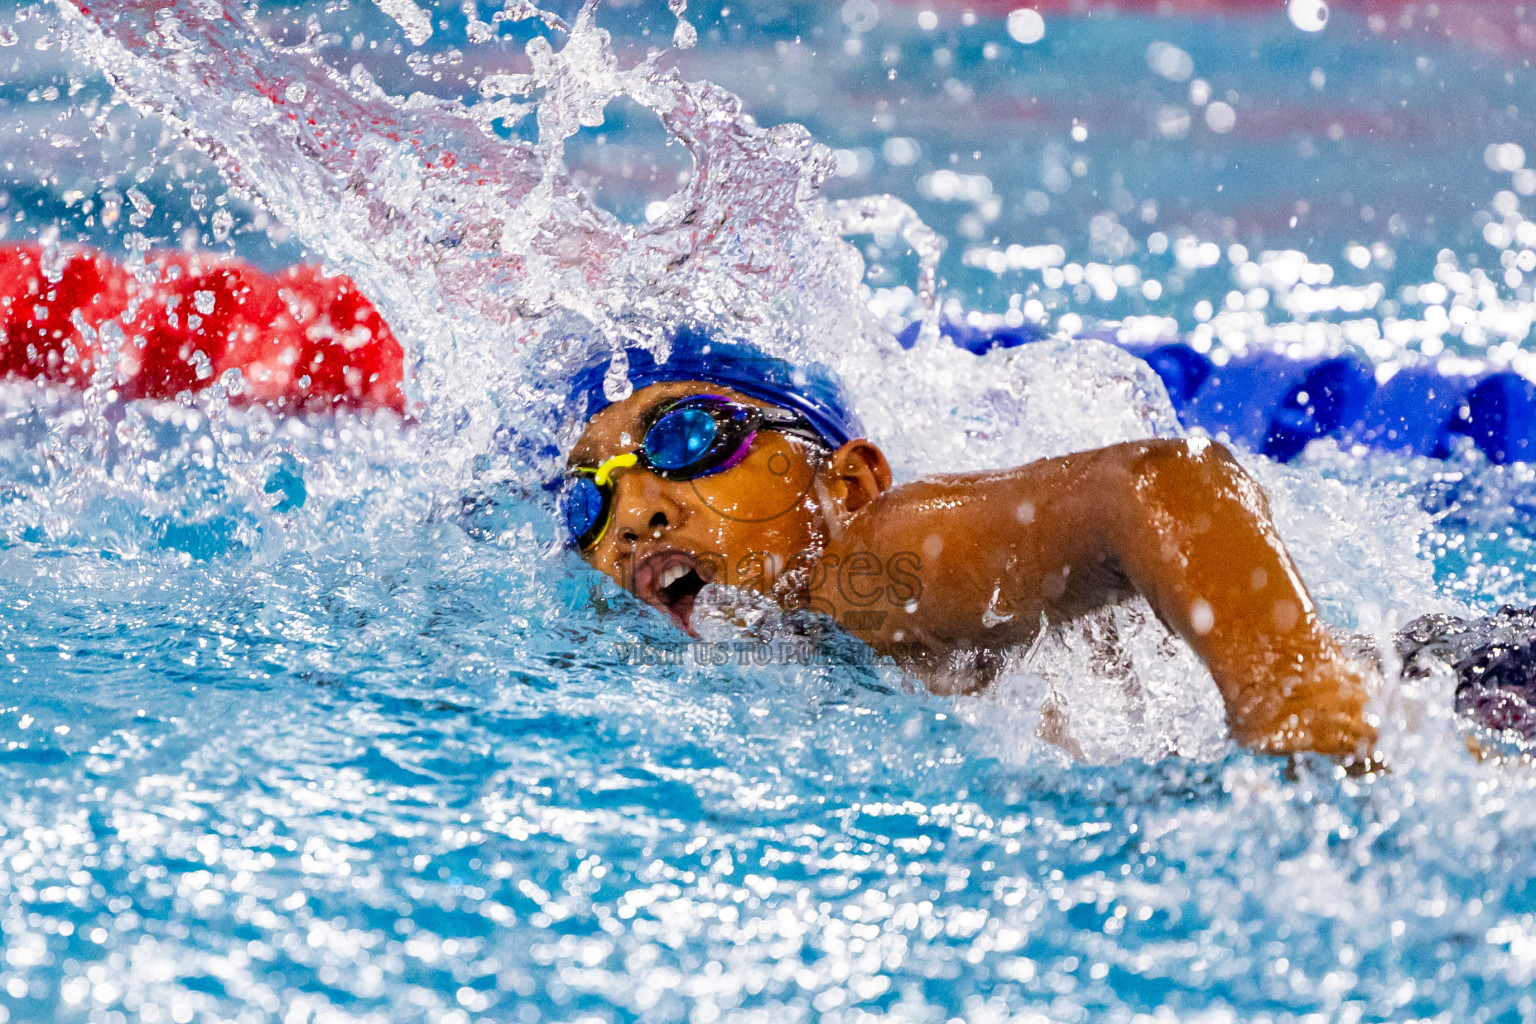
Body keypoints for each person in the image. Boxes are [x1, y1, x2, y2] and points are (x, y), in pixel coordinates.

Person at [562, 333, 1378, 763]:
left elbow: (1163, 483)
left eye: (685, 435)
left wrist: (1296, 699)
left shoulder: (863, 566)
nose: (633, 516)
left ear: (846, 485)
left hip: (1441, 693)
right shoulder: (762, 659)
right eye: (589, 501)